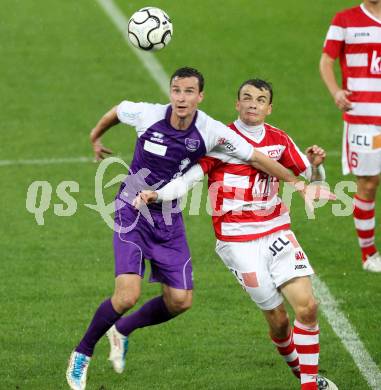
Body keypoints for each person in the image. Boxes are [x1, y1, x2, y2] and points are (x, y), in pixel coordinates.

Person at [66, 67, 329, 390]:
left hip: (169, 218)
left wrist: (300, 184)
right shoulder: (148, 115)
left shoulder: (212, 131)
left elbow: (258, 158)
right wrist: (95, 136)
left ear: (200, 97)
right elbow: (118, 110)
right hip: (132, 209)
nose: (182, 97)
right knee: (127, 295)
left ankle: (121, 330)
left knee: (180, 301)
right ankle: (82, 353)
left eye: (189, 92)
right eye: (177, 90)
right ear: (170, 92)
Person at [135, 79, 338, 390]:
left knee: (308, 307)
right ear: (237, 104)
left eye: (260, 99)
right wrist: (158, 195)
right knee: (280, 322)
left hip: (276, 232)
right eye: (246, 98)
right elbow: (187, 180)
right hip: (237, 243)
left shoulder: (279, 140)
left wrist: (317, 167)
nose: (253, 103)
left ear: (269, 108)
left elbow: (310, 176)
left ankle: (309, 385)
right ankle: (301, 372)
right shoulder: (219, 141)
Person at [320, 0, 381, 272]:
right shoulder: (345, 20)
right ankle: (368, 254)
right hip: (363, 121)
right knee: (368, 183)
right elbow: (326, 62)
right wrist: (336, 92)